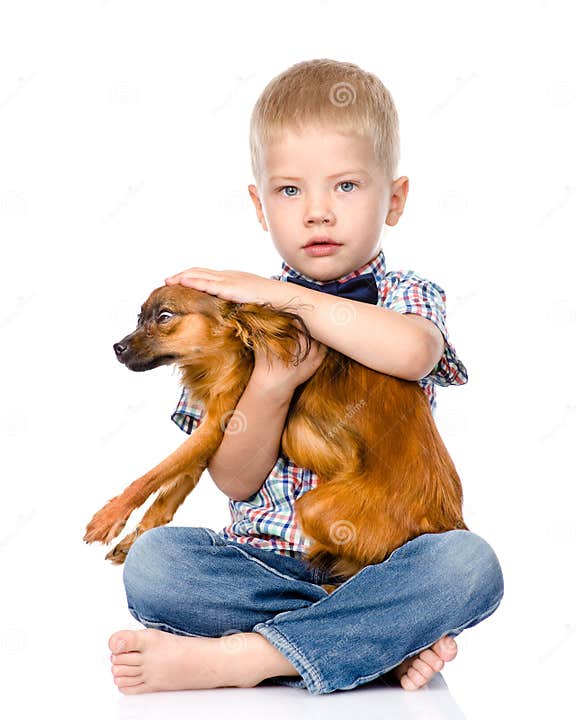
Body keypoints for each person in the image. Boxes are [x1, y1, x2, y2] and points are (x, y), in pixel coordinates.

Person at [108, 58, 504, 696]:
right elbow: (234, 478)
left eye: (346, 186)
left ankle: (250, 657)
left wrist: (290, 301)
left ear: (394, 199)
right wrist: (270, 383)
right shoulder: (229, 321)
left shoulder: (405, 296)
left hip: (383, 565)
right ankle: (366, 642)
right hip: (262, 566)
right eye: (290, 191)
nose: (318, 212)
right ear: (260, 206)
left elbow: (414, 355)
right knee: (157, 565)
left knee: (467, 565)